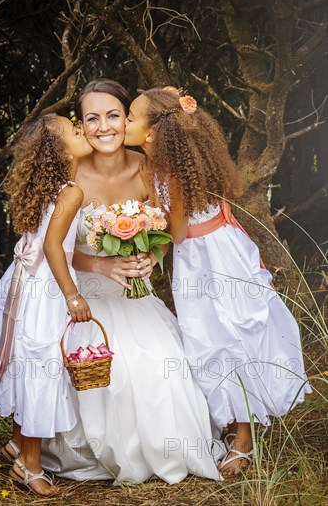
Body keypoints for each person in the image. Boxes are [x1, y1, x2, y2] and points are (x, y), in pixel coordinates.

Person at [41, 79, 222, 484]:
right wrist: (100, 266)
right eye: (91, 118)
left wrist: (150, 259)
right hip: (85, 299)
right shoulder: (69, 172)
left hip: (134, 295)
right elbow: (50, 246)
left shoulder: (149, 167)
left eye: (112, 115)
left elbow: (172, 233)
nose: (103, 126)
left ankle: (167, 450)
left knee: (160, 366)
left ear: (129, 119)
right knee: (107, 373)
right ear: (82, 125)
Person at [124, 87, 312, 476]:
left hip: (215, 258)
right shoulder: (153, 164)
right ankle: (231, 421)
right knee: (205, 338)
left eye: (129, 117)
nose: (124, 122)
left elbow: (174, 232)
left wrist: (146, 230)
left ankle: (243, 437)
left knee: (229, 336)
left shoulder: (172, 171)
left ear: (151, 134)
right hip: (196, 260)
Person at [0, 114, 93, 496]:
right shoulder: (70, 191)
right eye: (73, 129)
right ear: (58, 149)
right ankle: (29, 465)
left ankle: (17, 445)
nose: (81, 130)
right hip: (46, 287)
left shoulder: (45, 189)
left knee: (28, 361)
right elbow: (51, 247)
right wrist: (72, 295)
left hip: (24, 284)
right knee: (41, 366)